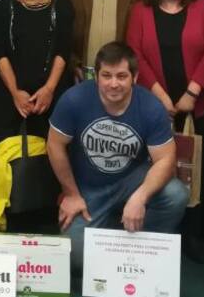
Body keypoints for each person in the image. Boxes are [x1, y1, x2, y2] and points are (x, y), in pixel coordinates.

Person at [47, 41, 189, 270]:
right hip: (88, 187)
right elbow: (54, 145)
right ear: (96, 77)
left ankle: (144, 250)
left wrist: (140, 197)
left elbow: (166, 159)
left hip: (131, 180)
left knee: (176, 194)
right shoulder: (74, 99)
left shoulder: (151, 107)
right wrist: (71, 194)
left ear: (135, 77)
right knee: (75, 258)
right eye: (107, 75)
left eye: (122, 76)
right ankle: (112, 229)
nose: (114, 84)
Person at [125, 0, 204, 258]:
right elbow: (135, 53)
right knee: (155, 168)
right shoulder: (141, 10)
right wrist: (161, 97)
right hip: (154, 106)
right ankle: (159, 232)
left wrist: (192, 93)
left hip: (197, 104)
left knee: (196, 171)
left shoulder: (203, 7)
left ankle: (194, 236)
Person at [0, 0, 73, 147]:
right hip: (10, 92)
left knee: (52, 151)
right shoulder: (2, 8)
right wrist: (15, 93)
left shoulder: (63, 6)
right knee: (4, 151)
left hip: (52, 90)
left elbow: (63, 51)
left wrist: (49, 89)